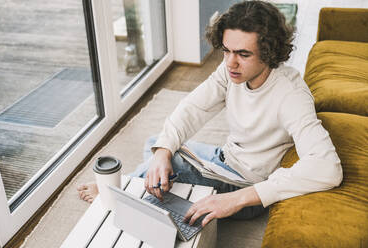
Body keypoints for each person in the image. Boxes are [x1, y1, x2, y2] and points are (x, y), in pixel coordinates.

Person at [78, 0, 343, 227]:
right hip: (224, 160)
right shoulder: (232, 72)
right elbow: (193, 108)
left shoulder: (290, 95)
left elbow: (327, 167)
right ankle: (156, 192)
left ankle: (118, 195)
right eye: (226, 50)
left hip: (243, 186)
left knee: (174, 162)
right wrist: (163, 153)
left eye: (243, 54)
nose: (230, 62)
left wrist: (237, 199)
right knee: (159, 146)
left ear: (269, 52)